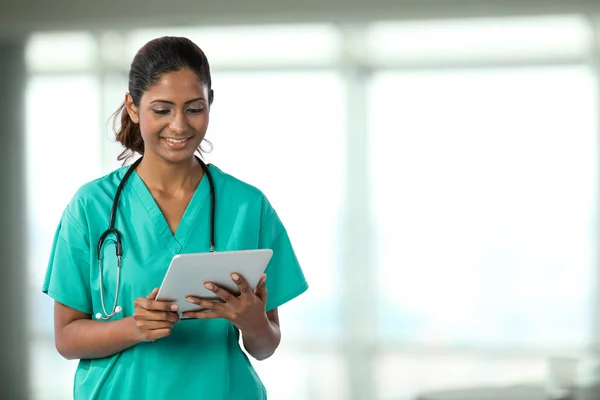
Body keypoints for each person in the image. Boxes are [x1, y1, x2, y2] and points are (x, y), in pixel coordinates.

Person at [42, 36, 308, 400]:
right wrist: (134, 328)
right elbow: (66, 338)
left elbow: (265, 346)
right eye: (162, 109)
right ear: (133, 108)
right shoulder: (91, 206)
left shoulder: (248, 205)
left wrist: (252, 322)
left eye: (194, 108)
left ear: (210, 104)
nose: (180, 126)